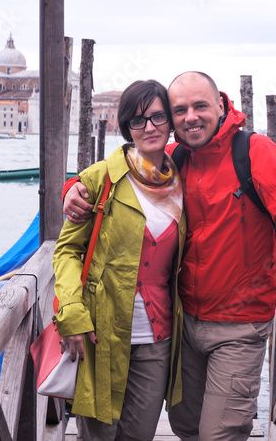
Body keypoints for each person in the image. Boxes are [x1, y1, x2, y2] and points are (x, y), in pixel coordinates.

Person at [65, 71, 276, 441]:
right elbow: (121, 173)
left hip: (239, 326)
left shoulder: (257, 154)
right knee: (185, 425)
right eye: (180, 110)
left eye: (200, 106)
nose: (190, 117)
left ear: (220, 104)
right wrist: (73, 188)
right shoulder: (175, 159)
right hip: (184, 324)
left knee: (220, 434)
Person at [53, 79, 185, 440]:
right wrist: (71, 313)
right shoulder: (101, 178)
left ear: (170, 121)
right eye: (138, 120)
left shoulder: (182, 180)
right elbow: (67, 251)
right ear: (126, 127)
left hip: (158, 336)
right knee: (98, 436)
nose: (150, 127)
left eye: (158, 117)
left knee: (140, 434)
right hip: (100, 332)